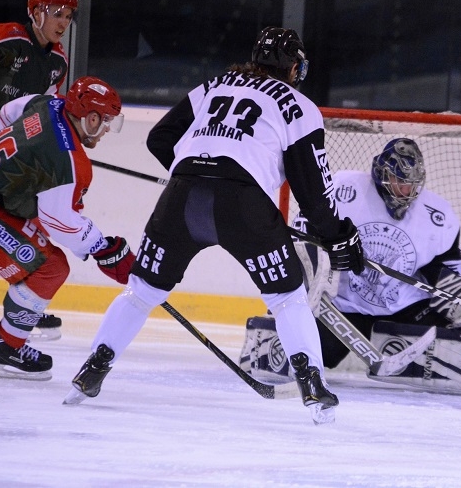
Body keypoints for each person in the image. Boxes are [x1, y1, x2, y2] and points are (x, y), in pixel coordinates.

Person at [65, 27, 365, 424]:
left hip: (182, 197)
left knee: (141, 292)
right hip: (243, 206)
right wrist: (337, 235)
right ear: (295, 68)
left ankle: (93, 369)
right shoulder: (298, 105)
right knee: (287, 298)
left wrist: (190, 173)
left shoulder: (217, 84)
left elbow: (161, 137)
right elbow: (313, 189)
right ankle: (312, 386)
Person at [241, 138, 461, 403]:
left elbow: (444, 268)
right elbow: (302, 233)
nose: (405, 192)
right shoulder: (343, 190)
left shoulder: (439, 216)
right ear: (381, 172)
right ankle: (270, 341)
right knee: (310, 354)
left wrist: (454, 293)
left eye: (411, 185)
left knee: (456, 331)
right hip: (342, 310)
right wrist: (318, 267)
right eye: (398, 182)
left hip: (404, 311)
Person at [0, 75, 134, 381]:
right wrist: (101, 247)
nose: (107, 129)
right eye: (106, 121)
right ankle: (7, 346)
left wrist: (14, 162)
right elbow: (58, 221)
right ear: (90, 118)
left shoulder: (45, 103)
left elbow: (6, 115)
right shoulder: (71, 161)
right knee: (51, 267)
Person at [0, 0, 79, 339]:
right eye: (56, 13)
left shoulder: (57, 62)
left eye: (69, 16)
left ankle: (25, 302)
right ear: (36, 11)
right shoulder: (7, 38)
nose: (63, 22)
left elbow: (42, 114)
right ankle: (24, 307)